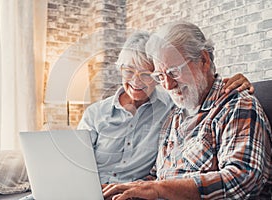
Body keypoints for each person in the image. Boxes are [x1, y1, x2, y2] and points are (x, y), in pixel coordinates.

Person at [103, 21, 272, 199]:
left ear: (204, 60)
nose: (168, 85)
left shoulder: (237, 106)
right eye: (160, 76)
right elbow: (157, 177)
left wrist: (159, 189)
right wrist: (125, 190)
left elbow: (242, 179)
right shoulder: (174, 116)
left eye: (174, 72)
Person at [78, 31, 253, 185]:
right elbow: (76, 165)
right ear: (120, 69)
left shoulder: (172, 106)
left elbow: (201, 84)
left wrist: (234, 82)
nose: (136, 81)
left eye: (146, 74)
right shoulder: (95, 114)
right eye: (129, 71)